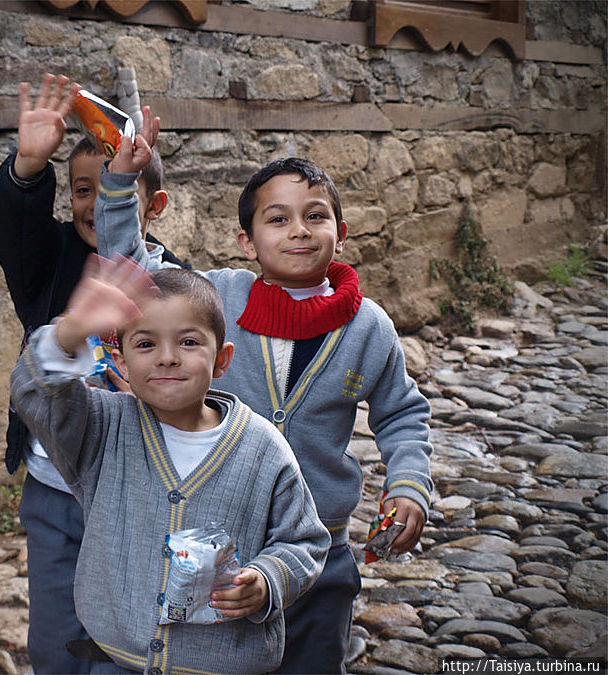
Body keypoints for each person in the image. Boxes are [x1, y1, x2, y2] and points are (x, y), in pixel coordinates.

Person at [96, 145, 434, 674]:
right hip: (225, 547)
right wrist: (119, 184)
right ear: (246, 243)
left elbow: (401, 414)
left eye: (315, 216)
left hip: (320, 546)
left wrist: (410, 484)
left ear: (340, 234)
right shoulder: (218, 300)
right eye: (278, 219)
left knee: (314, 662)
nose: (299, 230)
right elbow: (131, 270)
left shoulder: (369, 328)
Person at [10, 255, 331, 674]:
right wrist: (71, 330)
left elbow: (304, 540)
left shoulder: (263, 449)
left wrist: (267, 581)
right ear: (120, 361)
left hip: (222, 666)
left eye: (189, 342)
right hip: (118, 661)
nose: (167, 358)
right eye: (145, 344)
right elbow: (33, 394)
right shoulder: (100, 430)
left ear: (222, 359)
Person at [0, 73, 186, 673]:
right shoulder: (45, 262)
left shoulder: (173, 281)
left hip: (136, 486)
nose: (95, 205)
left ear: (154, 204)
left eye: (114, 191)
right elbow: (13, 228)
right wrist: (26, 167)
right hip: (54, 488)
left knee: (132, 626)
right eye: (81, 190)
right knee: (55, 639)